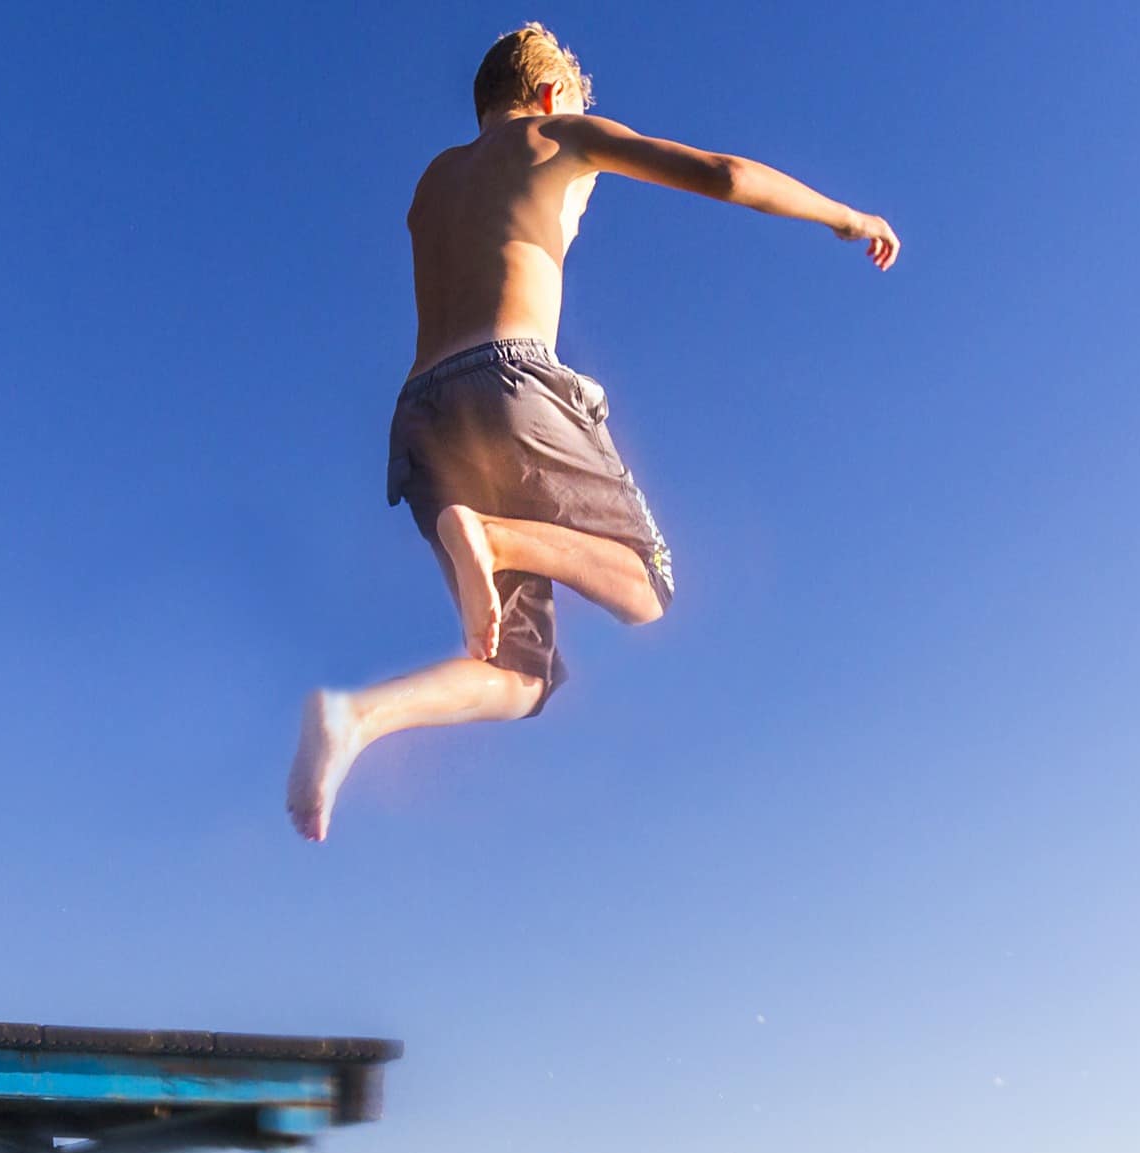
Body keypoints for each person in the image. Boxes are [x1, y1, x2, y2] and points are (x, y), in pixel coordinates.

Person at [287, 22, 899, 842]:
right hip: (511, 378)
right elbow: (724, 173)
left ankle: (353, 718)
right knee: (648, 585)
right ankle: (498, 539)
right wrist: (843, 215)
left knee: (517, 676)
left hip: (422, 414)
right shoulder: (558, 134)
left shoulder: (431, 183)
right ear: (548, 96)